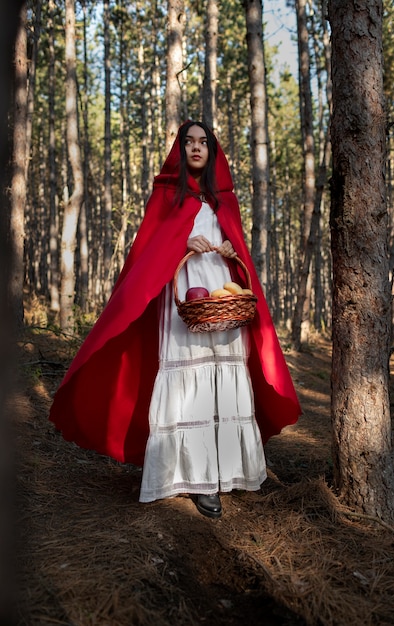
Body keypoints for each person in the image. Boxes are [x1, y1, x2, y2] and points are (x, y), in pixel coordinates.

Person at [49, 120, 301, 519]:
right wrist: (182, 242)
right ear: (181, 149)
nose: (196, 148)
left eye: (204, 142)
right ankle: (199, 480)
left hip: (221, 296)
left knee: (224, 377)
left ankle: (229, 469)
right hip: (185, 294)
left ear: (212, 151)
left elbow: (237, 249)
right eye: (189, 142)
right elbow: (151, 249)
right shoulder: (167, 194)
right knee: (190, 382)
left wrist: (229, 248)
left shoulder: (224, 201)